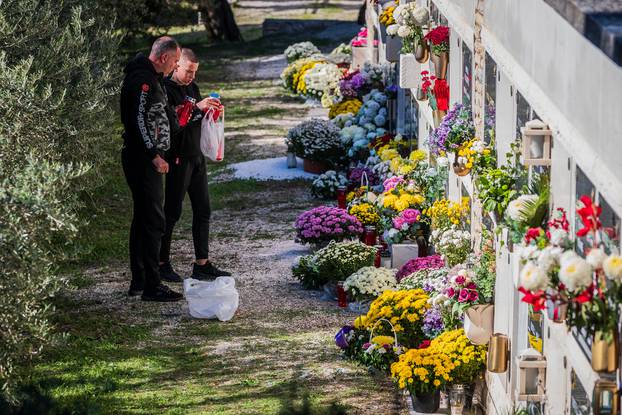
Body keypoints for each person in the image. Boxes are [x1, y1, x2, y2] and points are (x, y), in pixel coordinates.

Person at [120, 36, 184, 302]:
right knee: (153, 221)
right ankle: (151, 285)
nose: (176, 66)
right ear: (164, 57)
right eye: (176, 61)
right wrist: (153, 155)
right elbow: (136, 121)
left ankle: (140, 280)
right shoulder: (141, 80)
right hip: (142, 161)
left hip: (147, 159)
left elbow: (156, 114)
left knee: (144, 219)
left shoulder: (153, 78)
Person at [159, 48, 231, 281]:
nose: (191, 76)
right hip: (178, 157)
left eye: (194, 72)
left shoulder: (192, 87)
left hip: (196, 155)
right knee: (172, 212)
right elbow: (175, 125)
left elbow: (196, 117)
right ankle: (161, 262)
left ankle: (202, 263)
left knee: (203, 210)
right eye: (188, 71)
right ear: (177, 65)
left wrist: (211, 111)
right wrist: (196, 108)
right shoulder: (167, 90)